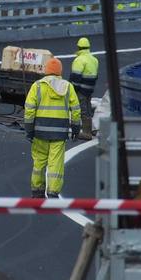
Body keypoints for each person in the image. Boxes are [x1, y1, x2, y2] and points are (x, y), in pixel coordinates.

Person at [24, 56, 82, 198]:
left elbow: (29, 109)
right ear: (59, 71)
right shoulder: (68, 87)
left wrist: (29, 130)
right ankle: (53, 192)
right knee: (55, 163)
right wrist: (75, 129)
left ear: (47, 70)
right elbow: (76, 110)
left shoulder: (37, 86)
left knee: (39, 161)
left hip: (40, 131)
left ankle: (37, 190)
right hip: (60, 132)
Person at [69, 37, 99, 132]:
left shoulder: (79, 60)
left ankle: (87, 132)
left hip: (81, 90)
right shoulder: (94, 60)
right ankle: (92, 128)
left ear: (78, 47)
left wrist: (72, 90)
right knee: (88, 108)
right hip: (90, 89)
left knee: (83, 110)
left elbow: (75, 78)